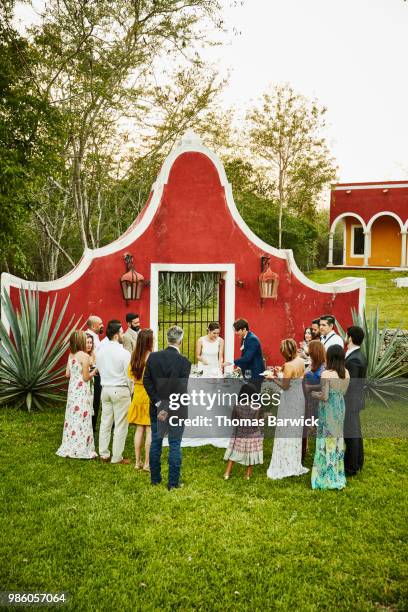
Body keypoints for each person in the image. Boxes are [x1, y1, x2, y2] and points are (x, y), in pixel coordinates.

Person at [143, 326, 191, 490]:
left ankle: (155, 480)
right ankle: (173, 483)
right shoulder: (184, 362)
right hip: (176, 408)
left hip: (157, 407)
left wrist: (158, 403)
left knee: (156, 442)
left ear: (167, 339)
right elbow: (181, 388)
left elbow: (147, 382)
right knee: (175, 443)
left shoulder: (153, 357)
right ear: (180, 340)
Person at [264, 339, 308, 480]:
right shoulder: (301, 360)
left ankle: (284, 463)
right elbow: (296, 377)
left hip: (289, 400)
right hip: (299, 398)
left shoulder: (289, 365)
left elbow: (285, 386)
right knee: (294, 430)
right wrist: (281, 371)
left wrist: (272, 378)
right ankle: (293, 461)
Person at [311, 344, 350, 490]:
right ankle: (337, 473)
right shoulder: (346, 372)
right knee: (337, 439)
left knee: (326, 439)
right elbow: (343, 393)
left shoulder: (326, 374)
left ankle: (324, 476)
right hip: (340, 407)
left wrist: (314, 394)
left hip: (327, 410)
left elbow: (325, 396)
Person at [56, 330, 97, 459]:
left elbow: (67, 374)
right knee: (83, 418)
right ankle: (81, 448)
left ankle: (70, 445)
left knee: (72, 417)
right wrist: (95, 371)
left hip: (72, 390)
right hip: (82, 390)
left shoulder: (71, 355)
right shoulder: (84, 356)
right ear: (80, 341)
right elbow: (85, 377)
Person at [96, 320, 132, 465]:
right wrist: (130, 390)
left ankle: (104, 454)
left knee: (105, 422)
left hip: (105, 389)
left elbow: (99, 369)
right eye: (122, 332)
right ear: (117, 335)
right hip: (120, 389)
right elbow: (128, 375)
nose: (123, 334)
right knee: (121, 425)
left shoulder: (100, 351)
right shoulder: (124, 353)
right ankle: (117, 457)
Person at [223, 383, 264, 480]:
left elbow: (233, 420)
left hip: (239, 434)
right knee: (250, 454)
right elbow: (256, 422)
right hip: (253, 435)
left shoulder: (237, 406)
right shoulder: (257, 406)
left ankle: (227, 473)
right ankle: (247, 474)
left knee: (233, 454)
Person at [128, 329, 153, 471]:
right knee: (149, 430)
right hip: (148, 394)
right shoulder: (151, 357)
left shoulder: (134, 356)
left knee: (139, 429)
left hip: (137, 394)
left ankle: (137, 462)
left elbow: (130, 374)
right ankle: (147, 464)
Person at [344, 325, 367, 476]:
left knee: (351, 434)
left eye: (346, 335)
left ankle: (351, 467)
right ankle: (358, 461)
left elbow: (350, 384)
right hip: (356, 400)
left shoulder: (354, 359)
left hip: (350, 401)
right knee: (355, 432)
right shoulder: (358, 355)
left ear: (350, 338)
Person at [302, 340, 326, 461]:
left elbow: (324, 386)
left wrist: (310, 387)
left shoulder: (323, 367)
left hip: (317, 400)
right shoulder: (311, 363)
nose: (307, 350)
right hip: (307, 399)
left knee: (316, 426)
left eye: (309, 348)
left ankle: (320, 452)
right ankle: (305, 448)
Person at [232, 319, 264, 390]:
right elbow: (244, 355)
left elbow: (247, 358)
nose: (236, 333)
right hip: (248, 373)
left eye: (237, 331)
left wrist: (232, 362)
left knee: (253, 396)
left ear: (244, 329)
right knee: (248, 397)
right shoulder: (244, 338)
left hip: (255, 374)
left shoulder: (252, 339)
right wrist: (240, 367)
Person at [86, 315, 104, 433]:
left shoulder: (95, 337)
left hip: (97, 371)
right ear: (93, 326)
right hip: (92, 372)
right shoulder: (88, 338)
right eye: (100, 324)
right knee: (93, 400)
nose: (102, 325)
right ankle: (90, 426)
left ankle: (92, 425)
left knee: (96, 400)